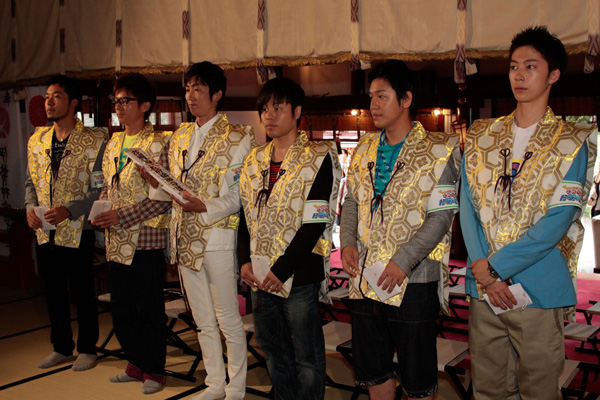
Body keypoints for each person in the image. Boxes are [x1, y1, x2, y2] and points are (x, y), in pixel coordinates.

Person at [460, 26, 597, 400]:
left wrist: (495, 267)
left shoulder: (571, 141)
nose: (519, 75)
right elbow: (468, 206)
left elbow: (559, 219)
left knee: (539, 390)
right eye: (513, 66)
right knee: (488, 388)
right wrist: (485, 271)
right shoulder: (482, 135)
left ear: (553, 75)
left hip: (537, 285)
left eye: (531, 66)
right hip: (483, 286)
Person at [340, 60, 459, 400]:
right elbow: (352, 200)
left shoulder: (439, 150)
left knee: (418, 378)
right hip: (364, 276)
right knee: (374, 369)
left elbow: (441, 216)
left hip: (413, 278)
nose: (373, 104)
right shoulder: (364, 147)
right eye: (371, 96)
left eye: (382, 96)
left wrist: (403, 261)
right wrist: (346, 242)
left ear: (406, 99)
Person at [143, 61, 255, 400]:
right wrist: (154, 181)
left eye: (199, 89)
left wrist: (204, 206)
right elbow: (172, 191)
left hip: (217, 237)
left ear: (217, 94)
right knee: (203, 320)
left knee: (227, 319)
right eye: (188, 89)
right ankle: (214, 384)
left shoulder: (239, 136)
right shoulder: (180, 135)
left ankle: (236, 388)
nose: (191, 96)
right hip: (183, 237)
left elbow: (240, 196)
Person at [238, 76, 341, 400]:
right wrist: (243, 261)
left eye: (278, 108)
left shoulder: (318, 156)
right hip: (259, 271)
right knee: (273, 350)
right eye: (264, 108)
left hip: (299, 273)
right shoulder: (254, 159)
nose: (269, 115)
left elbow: (315, 223)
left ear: (297, 112)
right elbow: (244, 215)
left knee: (307, 357)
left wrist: (282, 269)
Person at [92, 73, 172, 394]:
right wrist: (100, 210)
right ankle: (135, 363)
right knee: (122, 307)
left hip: (145, 239)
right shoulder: (113, 141)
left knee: (148, 308)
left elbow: (163, 198)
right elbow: (107, 185)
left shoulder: (159, 143)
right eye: (116, 101)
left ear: (145, 106)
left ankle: (154, 370)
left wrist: (120, 215)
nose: (119, 106)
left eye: (126, 100)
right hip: (115, 241)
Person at [25, 75, 107, 371]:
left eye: (56, 96)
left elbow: (100, 187)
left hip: (77, 228)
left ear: (73, 103)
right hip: (45, 230)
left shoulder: (95, 139)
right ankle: (61, 346)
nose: (49, 101)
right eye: (47, 96)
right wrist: (29, 209)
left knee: (82, 291)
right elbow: (30, 182)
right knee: (53, 291)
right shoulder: (37, 140)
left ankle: (87, 348)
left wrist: (70, 209)